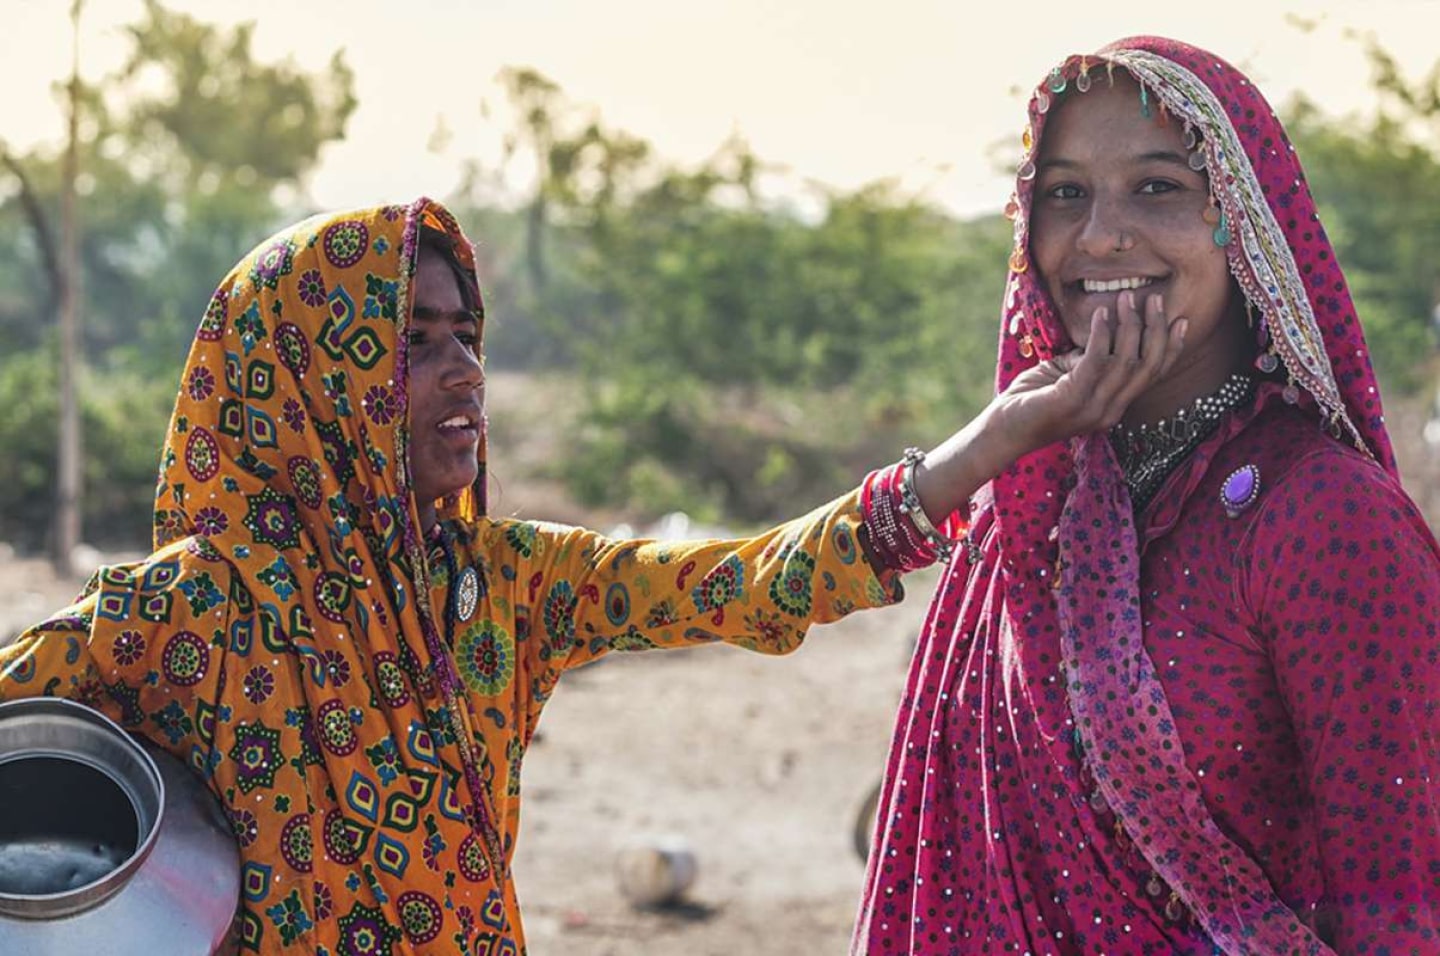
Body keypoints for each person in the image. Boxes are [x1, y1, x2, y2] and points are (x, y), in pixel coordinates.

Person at [0, 197, 1181, 953]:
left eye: (467, 335)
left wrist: (983, 449)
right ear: (306, 379)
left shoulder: (504, 585)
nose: (461, 371)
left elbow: (745, 580)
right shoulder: (183, 612)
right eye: (409, 343)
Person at [852, 36, 1440, 956]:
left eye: (1157, 187)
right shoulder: (1029, 499)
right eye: (1065, 194)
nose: (1100, 238)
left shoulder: (1324, 517)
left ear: (1239, 219)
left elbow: (1401, 906)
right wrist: (1002, 438)